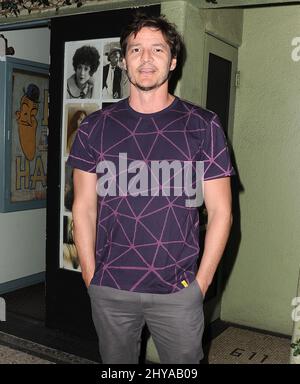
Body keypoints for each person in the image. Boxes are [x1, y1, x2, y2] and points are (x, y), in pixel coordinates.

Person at [68, 13, 235, 364]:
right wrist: (89, 274)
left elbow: (222, 212)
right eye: (136, 49)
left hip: (178, 290)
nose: (146, 59)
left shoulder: (203, 125)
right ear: (123, 59)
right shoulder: (94, 128)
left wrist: (200, 285)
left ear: (173, 61)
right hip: (111, 286)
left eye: (157, 49)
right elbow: (83, 207)